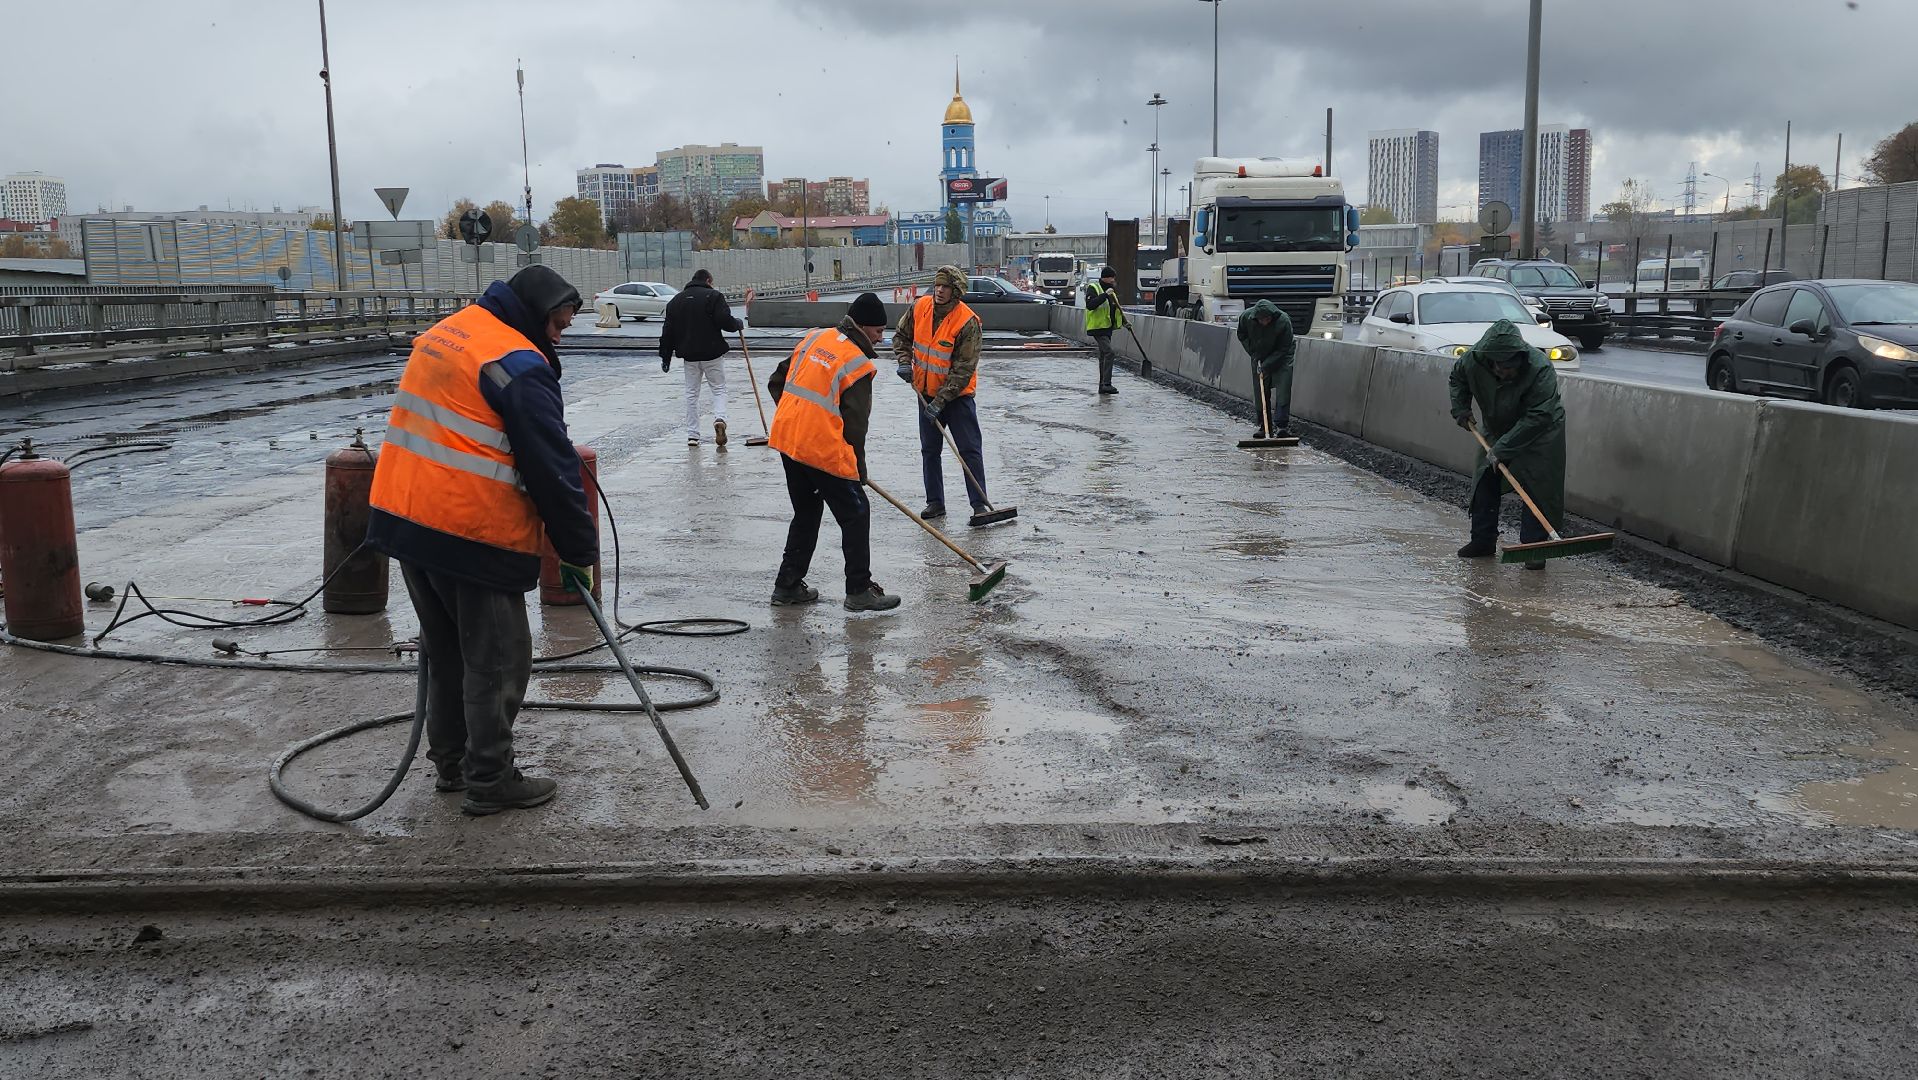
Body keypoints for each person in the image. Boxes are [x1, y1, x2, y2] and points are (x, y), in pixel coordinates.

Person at [365, 264, 598, 815]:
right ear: (538, 316)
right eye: (560, 325)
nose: (561, 335)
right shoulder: (518, 367)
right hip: (468, 530)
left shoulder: (455, 330)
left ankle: (452, 764)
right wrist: (578, 550)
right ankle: (490, 778)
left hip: (406, 517)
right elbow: (552, 469)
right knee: (498, 658)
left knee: (446, 652)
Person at [766, 292, 900, 612]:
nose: (881, 339)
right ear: (863, 327)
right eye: (879, 332)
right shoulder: (857, 364)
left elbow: (776, 382)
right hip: (818, 448)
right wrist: (859, 472)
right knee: (856, 513)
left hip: (789, 440)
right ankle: (858, 590)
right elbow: (855, 428)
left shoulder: (816, 338)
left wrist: (796, 419)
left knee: (807, 512)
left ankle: (787, 586)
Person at [1449, 318, 1567, 567]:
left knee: (1537, 488)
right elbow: (1457, 379)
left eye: (1511, 368)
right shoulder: (1472, 360)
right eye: (1501, 368)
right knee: (1485, 481)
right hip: (1497, 427)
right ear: (1490, 361)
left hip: (1541, 434)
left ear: (1521, 359)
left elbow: (1539, 415)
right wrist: (1461, 408)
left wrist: (1503, 448)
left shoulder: (1540, 368)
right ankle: (1482, 540)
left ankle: (1533, 549)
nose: (1506, 373)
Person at [893, 264, 992, 524]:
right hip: (924, 393)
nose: (939, 290)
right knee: (930, 450)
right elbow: (901, 336)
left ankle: (979, 503)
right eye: (937, 285)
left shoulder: (967, 322)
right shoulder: (920, 307)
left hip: (957, 399)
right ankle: (935, 502)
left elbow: (964, 369)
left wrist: (941, 400)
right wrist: (904, 361)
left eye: (945, 286)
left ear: (956, 291)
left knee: (969, 450)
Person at [658, 268, 742, 446]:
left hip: (689, 356)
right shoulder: (713, 296)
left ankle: (693, 435)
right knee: (718, 388)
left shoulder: (676, 301)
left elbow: (668, 332)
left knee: (691, 394)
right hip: (712, 353)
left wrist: (665, 356)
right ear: (709, 280)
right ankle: (720, 418)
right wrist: (738, 324)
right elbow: (724, 321)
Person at [1236, 299, 1297, 437]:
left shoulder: (1283, 321)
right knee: (1260, 390)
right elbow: (1241, 334)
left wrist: (1266, 365)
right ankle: (1265, 426)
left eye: (1267, 319)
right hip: (1259, 355)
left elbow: (1284, 348)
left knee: (1283, 388)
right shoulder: (1246, 318)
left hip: (1283, 357)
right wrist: (1253, 352)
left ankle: (1282, 426)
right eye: (1262, 320)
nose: (1265, 322)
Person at [1083, 265, 1125, 394]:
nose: (1113, 280)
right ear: (1105, 278)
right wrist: (1104, 295)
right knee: (1109, 353)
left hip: (1107, 328)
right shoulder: (1094, 288)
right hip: (1098, 327)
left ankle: (1102, 386)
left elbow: (1114, 309)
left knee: (1103, 356)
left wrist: (1124, 322)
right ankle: (1107, 384)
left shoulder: (1111, 290)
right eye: (1111, 277)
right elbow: (1090, 305)